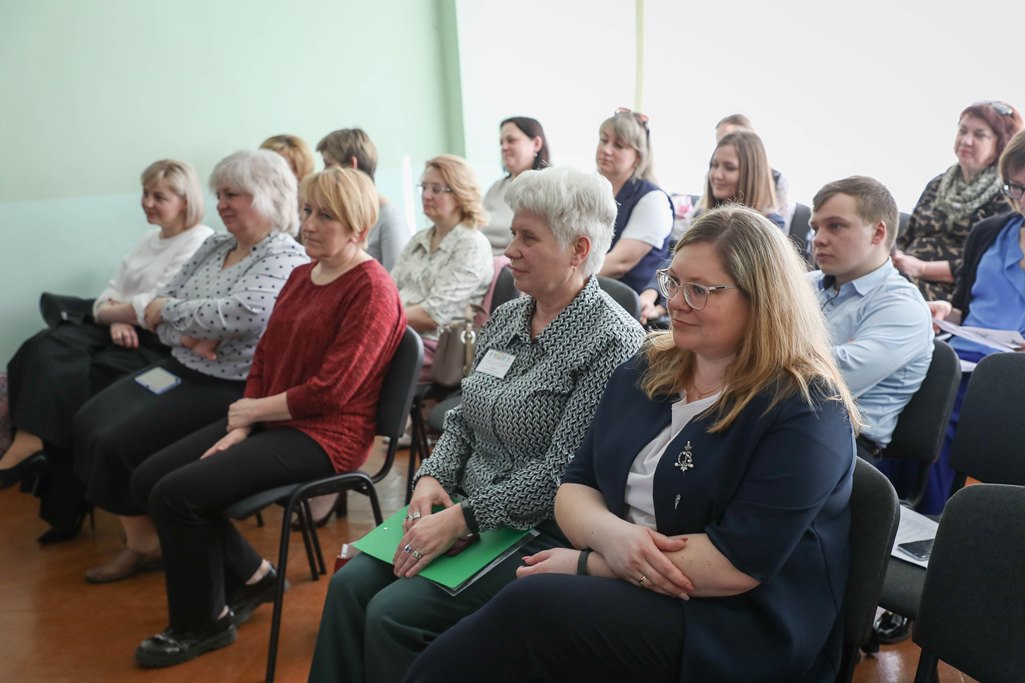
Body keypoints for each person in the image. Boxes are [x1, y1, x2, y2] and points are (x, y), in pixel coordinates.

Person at [406, 205, 859, 682]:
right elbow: (575, 487)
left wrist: (589, 563)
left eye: (700, 290)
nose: (677, 302)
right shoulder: (648, 368)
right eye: (674, 282)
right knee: (521, 615)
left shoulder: (806, 408)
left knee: (533, 606)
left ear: (763, 301)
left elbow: (734, 566)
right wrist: (610, 539)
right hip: (642, 578)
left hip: (736, 621)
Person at [307, 166, 646, 683]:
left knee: (393, 614)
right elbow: (463, 419)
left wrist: (463, 518)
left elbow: (561, 473)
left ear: (579, 249)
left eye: (527, 237)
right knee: (350, 585)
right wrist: (429, 478)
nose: (509, 251)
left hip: (536, 527)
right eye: (512, 233)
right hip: (462, 506)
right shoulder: (509, 318)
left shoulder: (613, 343)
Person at [122, 167, 407, 668]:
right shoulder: (302, 275)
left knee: (177, 495)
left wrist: (253, 411)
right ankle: (255, 575)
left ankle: (201, 623)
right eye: (308, 212)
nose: (309, 224)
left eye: (326, 216)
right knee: (150, 479)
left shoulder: (372, 288)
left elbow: (332, 390)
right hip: (275, 418)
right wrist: (241, 426)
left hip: (328, 435)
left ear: (359, 228)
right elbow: (267, 360)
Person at [73, 149, 308, 583]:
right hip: (179, 365)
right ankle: (147, 544)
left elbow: (243, 313)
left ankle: (146, 546)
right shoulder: (214, 244)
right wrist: (183, 331)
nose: (221, 203)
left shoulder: (284, 255)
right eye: (219, 193)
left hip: (227, 385)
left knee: (115, 443)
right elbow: (155, 309)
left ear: (270, 197)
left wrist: (172, 312)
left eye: (233, 194)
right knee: (90, 420)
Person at [0, 159, 213, 543]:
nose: (147, 202)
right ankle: (31, 439)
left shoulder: (200, 240)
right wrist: (116, 317)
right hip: (119, 330)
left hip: (157, 345)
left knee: (87, 384)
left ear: (185, 201)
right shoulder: (150, 240)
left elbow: (153, 305)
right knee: (41, 349)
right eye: (145, 193)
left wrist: (121, 313)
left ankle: (63, 501)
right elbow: (110, 293)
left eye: (158, 196)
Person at [809, 176, 933, 461]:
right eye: (815, 228)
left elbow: (828, 380)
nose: (818, 239)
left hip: (847, 449)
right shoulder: (804, 284)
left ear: (878, 233)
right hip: (784, 426)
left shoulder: (904, 307)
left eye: (835, 226)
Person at [638, 130, 781, 325]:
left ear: (751, 173)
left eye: (729, 168)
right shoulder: (704, 216)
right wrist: (648, 297)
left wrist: (663, 307)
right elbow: (675, 262)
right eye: (714, 165)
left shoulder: (771, 228)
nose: (717, 175)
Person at [893, 101, 1023, 302]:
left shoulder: (1011, 194)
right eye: (963, 131)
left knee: (893, 294)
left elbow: (983, 263)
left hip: (949, 291)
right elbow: (907, 237)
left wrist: (921, 268)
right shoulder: (937, 184)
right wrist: (895, 258)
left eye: (979, 135)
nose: (966, 141)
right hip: (904, 274)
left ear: (1001, 143)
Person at [389, 154, 493, 372]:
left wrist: (378, 320)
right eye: (423, 187)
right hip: (398, 332)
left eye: (436, 190)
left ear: (460, 194)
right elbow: (389, 291)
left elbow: (432, 315)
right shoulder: (419, 239)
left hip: (437, 346)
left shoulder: (471, 244)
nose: (426, 196)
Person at [594, 109, 674, 294]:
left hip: (628, 306)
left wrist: (563, 280)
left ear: (638, 156)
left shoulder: (653, 200)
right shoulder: (592, 190)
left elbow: (620, 263)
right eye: (604, 140)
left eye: (619, 145)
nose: (606, 150)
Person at [317, 128, 410, 271]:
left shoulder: (389, 217)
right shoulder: (341, 213)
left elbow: (398, 279)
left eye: (328, 164)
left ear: (352, 165)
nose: (324, 172)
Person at [479, 116, 551, 255]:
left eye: (511, 140)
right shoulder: (496, 188)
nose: (504, 147)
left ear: (536, 143)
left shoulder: (550, 187)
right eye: (501, 142)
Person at [714, 113, 792, 225]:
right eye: (720, 141)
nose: (717, 175)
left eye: (730, 168)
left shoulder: (770, 222)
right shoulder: (705, 210)